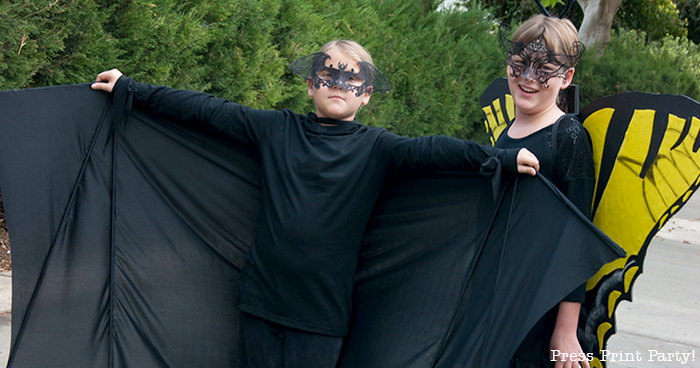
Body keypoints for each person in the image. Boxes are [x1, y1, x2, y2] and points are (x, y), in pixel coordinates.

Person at [91, 39, 539, 368]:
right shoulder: (275, 130)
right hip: (261, 303)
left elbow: (437, 150)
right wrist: (133, 90)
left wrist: (500, 159)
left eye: (352, 78)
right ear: (310, 85)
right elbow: (207, 111)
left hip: (321, 317)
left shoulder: (378, 149)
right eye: (329, 75)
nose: (339, 84)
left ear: (365, 94)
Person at [494, 15, 593, 368]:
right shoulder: (506, 130)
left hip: (540, 306)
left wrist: (566, 329)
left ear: (566, 77)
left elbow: (577, 236)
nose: (528, 78)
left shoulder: (567, 136)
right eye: (519, 65)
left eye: (544, 69)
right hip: (499, 294)